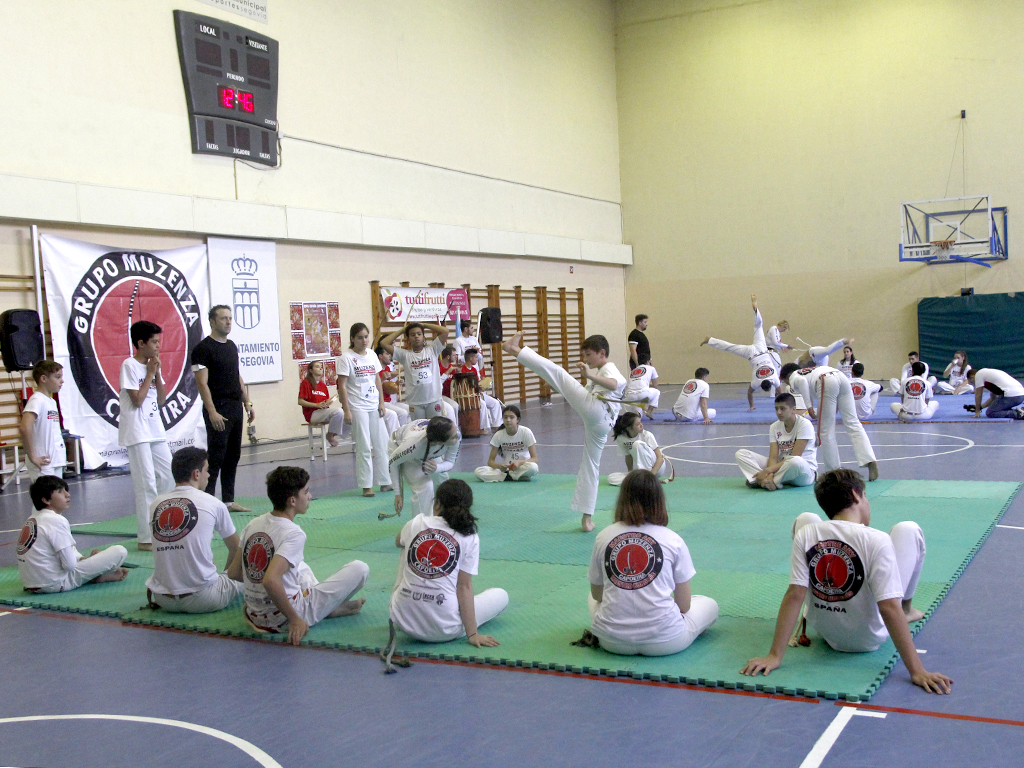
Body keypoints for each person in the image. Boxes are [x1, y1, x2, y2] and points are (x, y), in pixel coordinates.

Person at [741, 469, 953, 695]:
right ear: (856, 495)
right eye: (866, 496)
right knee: (908, 529)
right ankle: (907, 609)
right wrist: (917, 671)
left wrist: (774, 656)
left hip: (825, 630)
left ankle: (898, 610)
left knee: (805, 519)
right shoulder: (877, 540)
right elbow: (889, 607)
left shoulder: (807, 533)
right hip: (869, 637)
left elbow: (795, 594)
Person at [501, 330, 626, 533]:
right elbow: (593, 390)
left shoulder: (609, 368)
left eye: (589, 355)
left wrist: (588, 376)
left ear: (602, 353)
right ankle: (587, 518)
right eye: (584, 355)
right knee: (591, 465)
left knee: (558, 374)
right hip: (601, 422)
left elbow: (614, 384)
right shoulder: (600, 372)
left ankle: (513, 349)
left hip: (598, 412)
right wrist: (588, 381)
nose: (586, 359)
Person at [228, 467, 368, 645]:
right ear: (292, 500)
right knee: (361, 569)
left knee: (300, 566)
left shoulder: (252, 524)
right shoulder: (294, 534)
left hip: (255, 615)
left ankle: (324, 607)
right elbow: (270, 581)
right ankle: (325, 609)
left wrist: (257, 590)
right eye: (306, 492)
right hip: (284, 617)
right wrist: (295, 619)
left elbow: (233, 572)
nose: (310, 496)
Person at [588, 470, 718, 656]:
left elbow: (597, 595)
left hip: (611, 641)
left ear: (622, 499)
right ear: (659, 500)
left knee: (593, 596)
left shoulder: (603, 537)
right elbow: (684, 606)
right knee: (709, 604)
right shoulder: (673, 540)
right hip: (667, 640)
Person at [389, 478, 508, 645]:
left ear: (437, 503)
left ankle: (406, 605)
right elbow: (463, 587)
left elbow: (397, 541)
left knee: (405, 544)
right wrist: (472, 634)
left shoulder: (416, 522)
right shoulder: (469, 535)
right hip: (444, 629)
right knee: (501, 595)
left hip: (402, 620)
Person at [145, 447, 244, 613]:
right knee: (251, 570)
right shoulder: (214, 503)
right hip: (204, 599)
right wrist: (225, 575)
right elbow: (237, 549)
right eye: (207, 470)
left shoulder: (156, 504)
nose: (209, 475)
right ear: (196, 474)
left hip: (163, 599)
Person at [191, 305, 254, 513]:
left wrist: (247, 403)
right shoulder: (203, 349)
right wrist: (212, 411)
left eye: (230, 318)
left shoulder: (231, 346)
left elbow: (237, 376)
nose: (228, 322)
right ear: (212, 321)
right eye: (223, 318)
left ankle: (228, 500)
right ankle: (206, 501)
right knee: (216, 457)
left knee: (233, 455)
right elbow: (202, 383)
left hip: (235, 405)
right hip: (218, 406)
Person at [17, 476, 128, 593]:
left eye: (66, 490)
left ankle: (94, 574)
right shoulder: (56, 520)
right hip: (55, 583)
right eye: (60, 492)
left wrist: (84, 559)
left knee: (67, 550)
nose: (67, 495)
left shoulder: (33, 519)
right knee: (120, 551)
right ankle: (95, 576)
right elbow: (69, 565)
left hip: (31, 583)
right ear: (46, 500)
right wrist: (93, 563)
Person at [119, 321, 174, 551]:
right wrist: (150, 372)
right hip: (137, 430)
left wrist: (157, 372)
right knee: (146, 483)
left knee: (168, 475)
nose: (158, 346)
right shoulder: (129, 365)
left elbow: (161, 400)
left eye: (158, 342)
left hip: (154, 428)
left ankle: (164, 524)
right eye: (153, 342)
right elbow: (138, 400)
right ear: (140, 343)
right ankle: (145, 537)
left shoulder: (153, 366)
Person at [780, 362, 879, 481]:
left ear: (787, 375)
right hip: (842, 378)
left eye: (785, 381)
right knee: (853, 423)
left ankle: (834, 471)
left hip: (826, 381)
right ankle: (870, 460)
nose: (788, 385)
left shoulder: (794, 376)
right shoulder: (809, 371)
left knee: (825, 431)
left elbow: (802, 383)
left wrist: (809, 408)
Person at [339, 323, 393, 497]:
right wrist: (347, 410)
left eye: (366, 337)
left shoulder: (371, 355)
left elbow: (377, 379)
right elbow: (342, 386)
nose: (364, 340)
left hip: (373, 404)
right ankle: (366, 485)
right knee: (364, 446)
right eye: (360, 337)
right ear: (352, 339)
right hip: (357, 406)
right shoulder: (346, 358)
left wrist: (381, 403)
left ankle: (385, 481)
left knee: (382, 444)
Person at [701, 294, 781, 411]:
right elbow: (750, 393)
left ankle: (756, 310)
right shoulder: (756, 383)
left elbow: (779, 390)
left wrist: (752, 406)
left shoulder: (774, 379)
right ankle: (710, 340)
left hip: (762, 350)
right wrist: (752, 405)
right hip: (752, 355)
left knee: (758, 327)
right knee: (730, 347)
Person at [735, 393, 817, 490]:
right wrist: (769, 473)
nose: (779, 412)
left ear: (793, 409)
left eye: (783, 408)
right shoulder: (774, 427)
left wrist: (767, 471)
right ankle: (767, 480)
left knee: (795, 461)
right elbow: (773, 456)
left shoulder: (804, 425)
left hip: (803, 473)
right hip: (781, 467)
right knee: (741, 454)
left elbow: (796, 455)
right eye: (776, 409)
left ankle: (766, 481)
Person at [388, 416, 462, 518]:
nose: (457, 436)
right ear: (440, 442)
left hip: (427, 449)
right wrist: (398, 493)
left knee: (443, 481)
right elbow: (393, 463)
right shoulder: (413, 446)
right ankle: (421, 526)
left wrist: (437, 468)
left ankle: (443, 516)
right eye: (453, 437)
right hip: (400, 446)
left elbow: (450, 461)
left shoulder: (454, 434)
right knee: (425, 486)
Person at [380, 321, 450, 420]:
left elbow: (445, 331)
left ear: (423, 337)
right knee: (418, 431)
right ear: (408, 339)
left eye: (419, 334)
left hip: (433, 399)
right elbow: (383, 343)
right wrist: (402, 330)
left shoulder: (433, 349)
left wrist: (424, 325)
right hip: (415, 402)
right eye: (412, 335)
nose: (416, 336)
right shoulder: (404, 355)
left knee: (435, 430)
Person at [20, 360, 66, 483]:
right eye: (57, 377)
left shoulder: (51, 401)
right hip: (43, 461)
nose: (62, 381)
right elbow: (25, 427)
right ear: (44, 379)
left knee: (55, 498)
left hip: (54, 459)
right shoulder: (36, 400)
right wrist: (32, 456)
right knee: (45, 500)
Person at [474, 405, 539, 482]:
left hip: (521, 467)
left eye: (511, 417)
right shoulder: (498, 434)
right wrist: (499, 466)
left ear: (517, 419)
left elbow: (534, 458)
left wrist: (519, 463)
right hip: (505, 470)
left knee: (533, 468)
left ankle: (509, 476)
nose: (508, 420)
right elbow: (490, 461)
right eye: (505, 417)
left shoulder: (526, 432)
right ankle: (513, 476)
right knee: (478, 471)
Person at [608, 411, 673, 486]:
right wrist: (630, 473)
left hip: (657, 468)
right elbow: (628, 456)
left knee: (638, 444)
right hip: (642, 470)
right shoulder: (621, 438)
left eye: (640, 422)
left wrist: (651, 475)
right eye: (638, 424)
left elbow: (660, 458)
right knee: (611, 478)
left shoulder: (647, 435)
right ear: (629, 428)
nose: (641, 425)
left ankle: (646, 479)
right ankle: (640, 480)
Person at [298, 360, 344, 448]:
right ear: (311, 370)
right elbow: (300, 401)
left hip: (322, 412)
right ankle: (330, 436)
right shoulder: (306, 383)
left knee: (346, 414)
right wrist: (316, 405)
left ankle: (336, 434)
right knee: (338, 411)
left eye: (321, 367)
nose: (320, 368)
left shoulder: (323, 385)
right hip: (312, 414)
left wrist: (328, 403)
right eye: (317, 366)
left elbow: (325, 403)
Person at [461, 348, 502, 430]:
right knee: (482, 404)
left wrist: (483, 385)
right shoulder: (462, 370)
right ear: (470, 358)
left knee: (495, 403)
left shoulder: (474, 369)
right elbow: (464, 386)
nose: (477, 359)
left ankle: (496, 425)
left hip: (478, 393)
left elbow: (477, 383)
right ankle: (483, 428)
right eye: (476, 357)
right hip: (469, 395)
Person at [376, 344, 410, 426]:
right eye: (387, 354)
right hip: (380, 402)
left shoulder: (387, 368)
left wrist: (397, 384)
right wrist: (382, 379)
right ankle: (397, 434)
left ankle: (404, 431)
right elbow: (373, 389)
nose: (390, 356)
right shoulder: (376, 370)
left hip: (389, 401)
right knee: (402, 413)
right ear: (380, 356)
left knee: (410, 409)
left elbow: (388, 386)